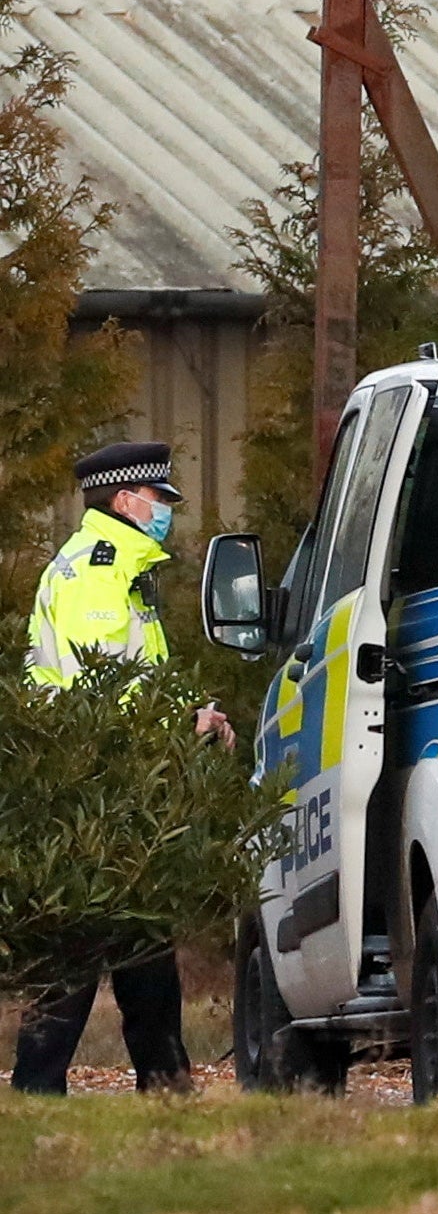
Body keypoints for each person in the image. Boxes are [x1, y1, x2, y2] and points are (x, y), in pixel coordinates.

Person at [19, 438, 230, 1099]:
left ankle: (163, 1084)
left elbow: (138, 678)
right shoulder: (98, 573)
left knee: (137, 944)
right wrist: (177, 728)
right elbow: (102, 690)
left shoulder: (121, 571)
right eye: (159, 499)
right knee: (86, 946)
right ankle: (41, 1088)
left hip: (117, 782)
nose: (165, 510)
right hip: (100, 786)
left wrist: (193, 713)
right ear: (124, 500)